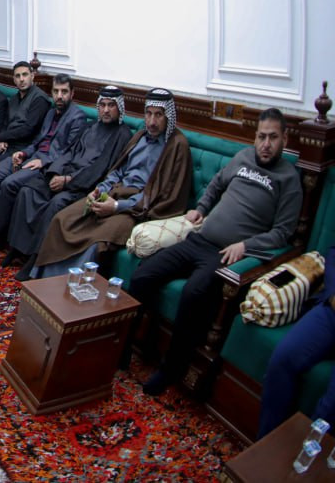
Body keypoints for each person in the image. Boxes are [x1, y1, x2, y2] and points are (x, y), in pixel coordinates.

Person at [129, 107, 298, 397]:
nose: (266, 144)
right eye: (261, 137)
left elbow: (283, 233)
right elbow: (217, 184)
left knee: (193, 293)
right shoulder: (243, 157)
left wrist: (246, 246)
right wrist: (202, 208)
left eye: (272, 138)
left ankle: (170, 370)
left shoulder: (288, 179)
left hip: (225, 255)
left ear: (285, 138)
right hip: (198, 239)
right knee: (143, 273)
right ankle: (126, 344)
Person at [34, 88, 193, 280]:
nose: (152, 121)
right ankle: (42, 280)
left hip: (137, 210)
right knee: (62, 218)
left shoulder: (176, 145)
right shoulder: (140, 136)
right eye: (149, 114)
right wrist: (100, 189)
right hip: (112, 194)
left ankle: (71, 286)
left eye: (158, 115)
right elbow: (118, 170)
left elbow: (162, 195)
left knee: (95, 242)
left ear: (168, 117)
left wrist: (117, 206)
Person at [6, 85, 132, 276]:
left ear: (119, 108)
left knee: (56, 204)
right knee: (27, 191)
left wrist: (67, 181)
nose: (106, 110)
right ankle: (17, 248)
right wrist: (55, 172)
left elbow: (101, 168)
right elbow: (69, 152)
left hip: (84, 184)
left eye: (111, 106)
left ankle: (36, 258)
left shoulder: (122, 134)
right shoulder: (90, 126)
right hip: (63, 173)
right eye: (102, 105)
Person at [0, 74, 86, 252]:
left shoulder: (77, 117)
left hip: (49, 164)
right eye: (56, 91)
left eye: (64, 92)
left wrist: (43, 161)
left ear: (72, 94)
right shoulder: (50, 113)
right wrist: (24, 153)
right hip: (33, 155)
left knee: (9, 184)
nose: (59, 96)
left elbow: (68, 152)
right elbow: (38, 140)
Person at [258, 245, 335, 437]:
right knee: (283, 358)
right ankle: (267, 442)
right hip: (332, 310)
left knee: (332, 404)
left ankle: (306, 451)